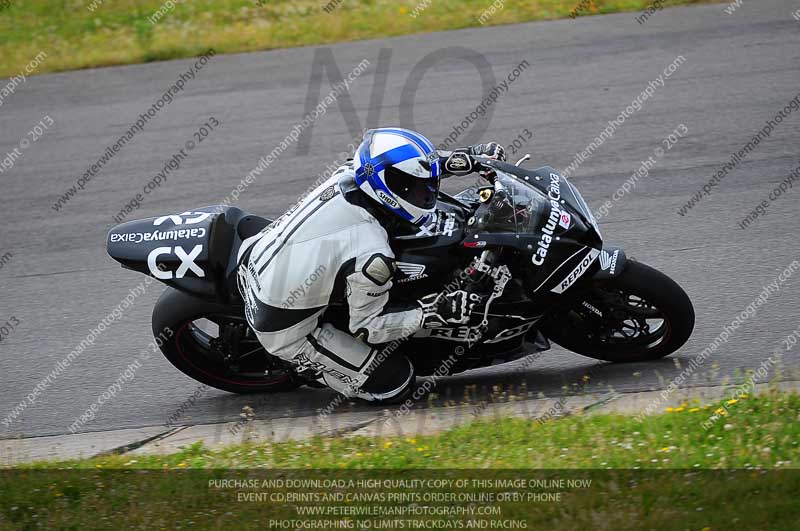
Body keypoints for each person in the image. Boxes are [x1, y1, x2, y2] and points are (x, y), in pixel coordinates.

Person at [237, 128, 505, 403]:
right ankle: (304, 364)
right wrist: (435, 311)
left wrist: (466, 159)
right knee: (395, 383)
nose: (426, 193)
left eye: (426, 185)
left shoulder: (353, 172)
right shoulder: (371, 252)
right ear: (389, 191)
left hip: (257, 256)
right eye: (415, 189)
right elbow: (368, 326)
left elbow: (406, 166)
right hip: (281, 323)